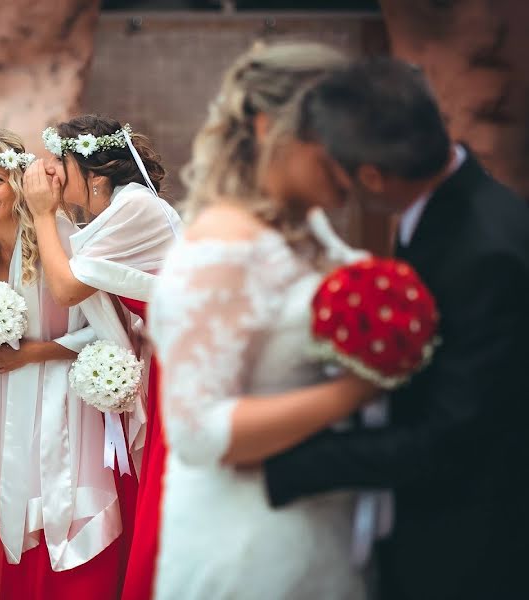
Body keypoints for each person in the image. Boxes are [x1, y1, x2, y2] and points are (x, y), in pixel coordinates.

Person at [262, 57, 529, 600]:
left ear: (371, 176)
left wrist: (290, 465)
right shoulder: (455, 207)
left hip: (467, 543)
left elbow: (451, 440)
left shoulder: (485, 250)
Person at [147, 41, 380, 599]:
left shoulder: (313, 228)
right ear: (267, 126)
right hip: (250, 537)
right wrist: (362, 388)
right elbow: (197, 432)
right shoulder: (220, 248)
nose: (355, 161)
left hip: (328, 522)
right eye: (335, 139)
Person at [0, 128, 135, 599]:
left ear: (21, 185)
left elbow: (109, 330)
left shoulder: (58, 240)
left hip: (67, 406)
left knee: (62, 507)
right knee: (19, 500)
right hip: (17, 401)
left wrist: (35, 353)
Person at [23, 115, 180, 600]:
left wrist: (42, 214)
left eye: (61, 163)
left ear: (94, 175)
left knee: (167, 492)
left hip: (181, 361)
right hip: (163, 356)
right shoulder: (121, 209)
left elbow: (68, 286)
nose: (52, 174)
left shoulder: (136, 209)